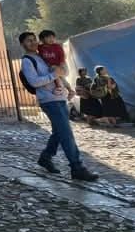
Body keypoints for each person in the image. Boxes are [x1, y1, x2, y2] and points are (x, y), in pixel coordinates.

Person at [19, 32, 99, 182]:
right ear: (22, 44)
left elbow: (62, 72)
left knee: (58, 132)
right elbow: (34, 82)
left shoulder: (43, 56)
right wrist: (54, 75)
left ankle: (45, 157)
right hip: (49, 101)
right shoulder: (27, 61)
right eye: (28, 41)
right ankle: (77, 168)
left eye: (34, 39)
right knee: (66, 134)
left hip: (60, 98)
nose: (33, 42)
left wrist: (68, 87)